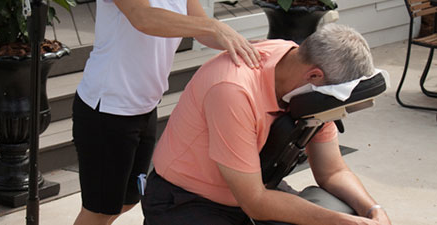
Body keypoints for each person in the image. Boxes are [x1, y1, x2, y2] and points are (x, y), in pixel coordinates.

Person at [141, 23, 392, 225]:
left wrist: (372, 211)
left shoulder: (302, 70)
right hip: (186, 199)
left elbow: (332, 171)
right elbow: (255, 203)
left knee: (342, 208)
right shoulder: (232, 89)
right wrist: (341, 222)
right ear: (314, 76)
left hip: (256, 187)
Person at [71, 0, 262, 224]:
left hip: (145, 106)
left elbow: (202, 30)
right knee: (98, 210)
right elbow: (143, 17)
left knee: (127, 200)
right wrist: (212, 27)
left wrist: (247, 47)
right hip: (108, 108)